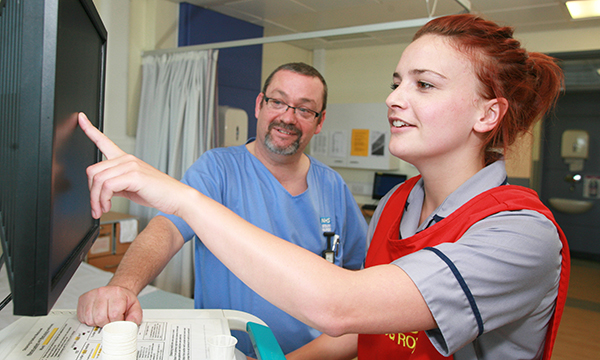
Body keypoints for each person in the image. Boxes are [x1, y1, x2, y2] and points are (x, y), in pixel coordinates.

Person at [77, 14, 570, 360]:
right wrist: (123, 283)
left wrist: (180, 194)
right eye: (397, 81)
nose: (393, 98)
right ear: (258, 105)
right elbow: (365, 327)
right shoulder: (400, 203)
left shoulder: (520, 233)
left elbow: (343, 303)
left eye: (424, 85)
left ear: (488, 113)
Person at [76, 62, 368, 357]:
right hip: (229, 352)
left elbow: (360, 279)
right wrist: (124, 286)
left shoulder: (333, 187)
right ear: (259, 105)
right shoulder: (217, 170)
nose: (288, 117)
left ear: (320, 122)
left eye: (305, 109)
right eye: (277, 102)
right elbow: (165, 230)